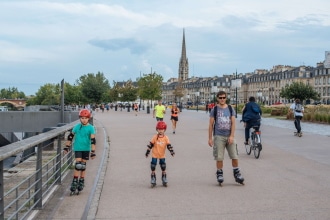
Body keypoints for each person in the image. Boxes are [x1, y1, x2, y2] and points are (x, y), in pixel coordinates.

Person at [208, 91, 244, 185]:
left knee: (234, 155)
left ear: (226, 98)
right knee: (219, 157)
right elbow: (211, 125)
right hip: (218, 136)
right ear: (217, 98)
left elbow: (233, 123)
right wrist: (210, 138)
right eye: (220, 98)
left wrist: (232, 136)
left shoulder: (230, 108)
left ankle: (236, 173)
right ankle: (219, 173)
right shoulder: (214, 109)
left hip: (229, 136)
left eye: (224, 97)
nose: (222, 99)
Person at [64, 109, 96, 194]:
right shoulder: (77, 126)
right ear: (80, 118)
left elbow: (93, 140)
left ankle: (81, 180)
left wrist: (93, 151)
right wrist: (67, 147)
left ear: (88, 118)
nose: (84, 119)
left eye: (85, 118)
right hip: (78, 148)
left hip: (86, 148)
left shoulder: (91, 128)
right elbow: (70, 137)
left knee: (83, 165)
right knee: (78, 165)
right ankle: (75, 181)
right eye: (82, 118)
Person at [145, 121, 175, 187]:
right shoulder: (155, 137)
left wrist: (171, 151)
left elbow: (168, 145)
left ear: (164, 130)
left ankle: (164, 177)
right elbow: (150, 145)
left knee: (163, 166)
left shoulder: (166, 138)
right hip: (155, 154)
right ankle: (153, 178)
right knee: (153, 166)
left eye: (162, 129)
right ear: (157, 129)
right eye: (159, 129)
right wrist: (147, 152)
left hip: (162, 155)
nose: (160, 131)